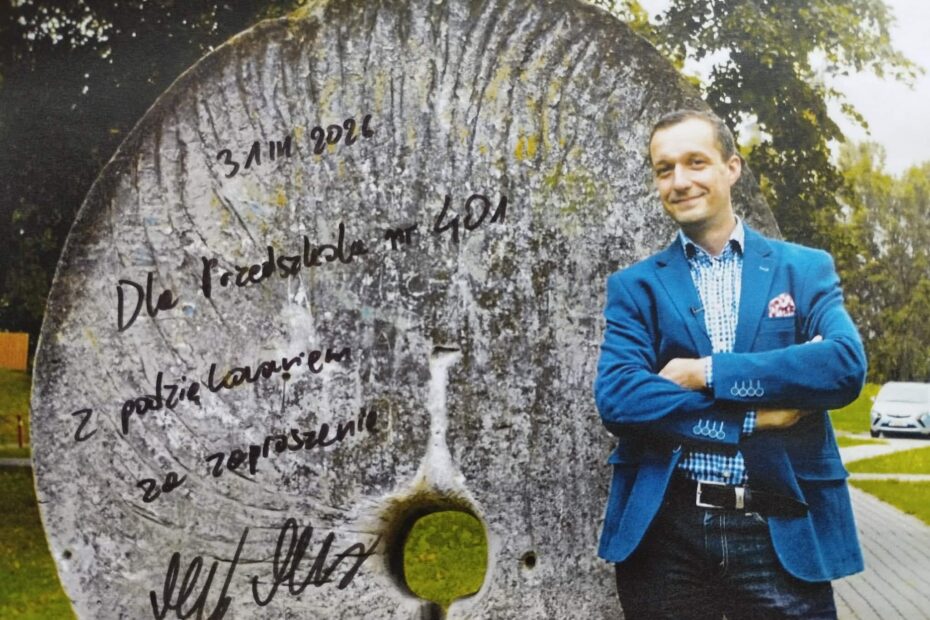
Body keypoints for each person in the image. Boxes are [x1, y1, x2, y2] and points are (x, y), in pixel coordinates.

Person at [594, 109, 867, 619]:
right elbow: (620, 398)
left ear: (732, 167)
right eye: (665, 169)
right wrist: (748, 418)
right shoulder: (635, 288)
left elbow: (843, 365)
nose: (680, 181)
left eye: (696, 162)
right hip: (668, 535)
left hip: (778, 526)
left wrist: (707, 372)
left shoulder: (803, 269)